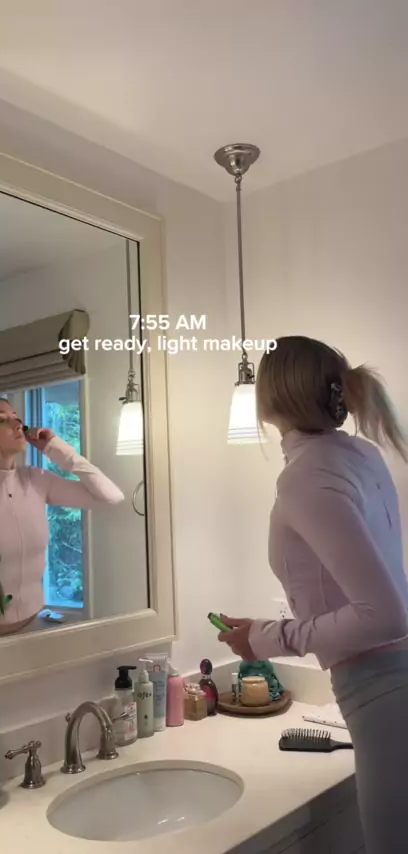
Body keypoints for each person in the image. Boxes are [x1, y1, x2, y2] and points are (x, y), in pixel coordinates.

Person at [217, 336, 408, 854]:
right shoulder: (359, 455)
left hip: (383, 693)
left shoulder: (305, 477)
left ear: (268, 398)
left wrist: (266, 638)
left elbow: (385, 615)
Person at [0, 395, 124, 640]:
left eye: (17, 418)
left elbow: (111, 497)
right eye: (3, 420)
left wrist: (56, 449)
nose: (17, 424)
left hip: (33, 632)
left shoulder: (37, 480)